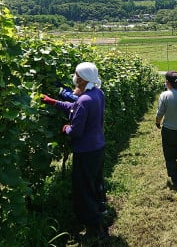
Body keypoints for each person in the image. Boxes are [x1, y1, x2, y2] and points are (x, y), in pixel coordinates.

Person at [40, 62, 108, 241]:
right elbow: (74, 106)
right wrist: (53, 102)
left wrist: (66, 128)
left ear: (83, 79)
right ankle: (99, 214)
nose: (75, 78)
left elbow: (76, 131)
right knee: (94, 184)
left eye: (77, 75)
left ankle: (93, 229)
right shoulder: (97, 94)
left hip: (85, 151)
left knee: (83, 190)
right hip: (98, 148)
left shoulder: (84, 100)